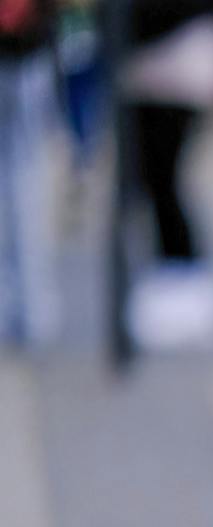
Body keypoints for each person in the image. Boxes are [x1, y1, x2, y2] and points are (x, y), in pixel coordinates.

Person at [120, 0, 213, 349]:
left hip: (177, 63)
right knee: (160, 178)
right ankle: (178, 277)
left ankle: (186, 278)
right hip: (171, 63)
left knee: (163, 177)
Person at [0, 0, 60, 349]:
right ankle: (33, 311)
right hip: (28, 52)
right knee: (28, 181)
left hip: (28, 54)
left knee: (26, 183)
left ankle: (30, 311)